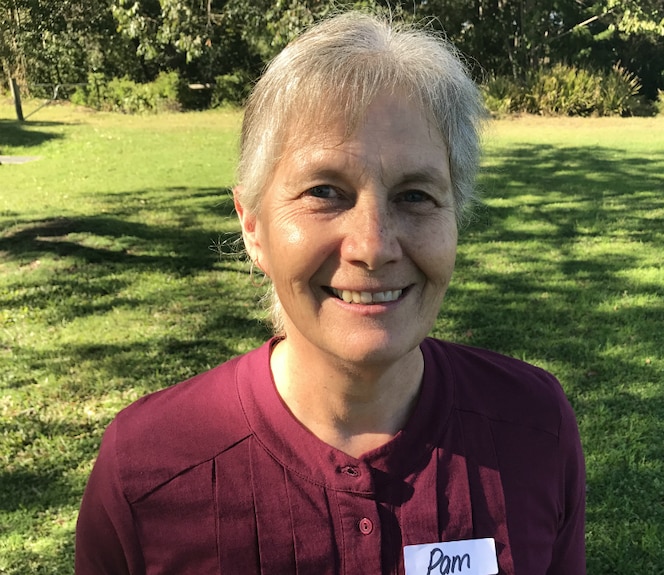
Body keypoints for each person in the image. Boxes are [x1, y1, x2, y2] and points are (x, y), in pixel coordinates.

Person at [75, 11, 585, 575]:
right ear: (252, 226)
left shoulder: (534, 426)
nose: (373, 246)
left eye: (415, 196)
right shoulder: (146, 467)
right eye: (324, 191)